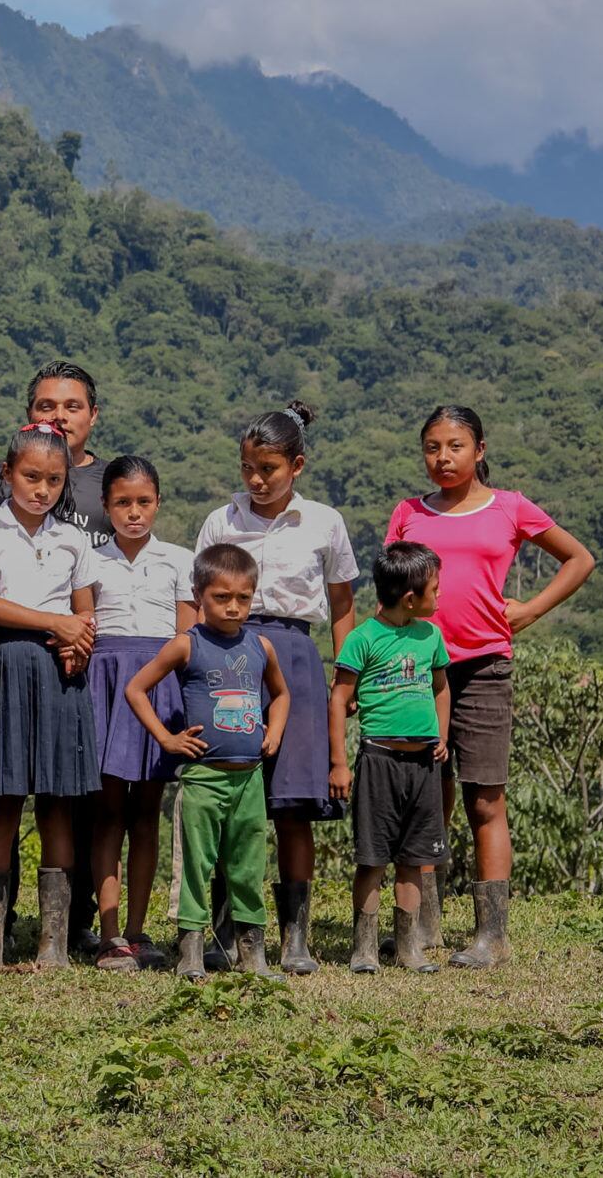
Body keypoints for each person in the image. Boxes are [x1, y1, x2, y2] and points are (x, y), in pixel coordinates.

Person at [383, 404, 592, 969]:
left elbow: (579, 559)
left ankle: (491, 936)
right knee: (426, 797)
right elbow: (390, 591)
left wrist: (528, 611)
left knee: (484, 797)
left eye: (455, 446)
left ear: (479, 450)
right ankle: (421, 926)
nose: (443, 458)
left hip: (482, 667)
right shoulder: (408, 513)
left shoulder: (511, 507)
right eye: (432, 447)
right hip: (414, 671)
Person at [192, 401, 358, 976]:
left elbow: (342, 607)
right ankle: (220, 932)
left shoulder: (324, 523)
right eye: (248, 468)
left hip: (295, 657)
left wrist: (345, 675)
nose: (257, 480)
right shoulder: (221, 520)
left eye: (269, 468)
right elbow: (196, 601)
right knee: (223, 798)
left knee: (291, 805)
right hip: (225, 655)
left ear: (298, 464)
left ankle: (295, 937)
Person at [0, 423, 97, 973]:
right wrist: (58, 623)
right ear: (7, 475)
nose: (41, 489)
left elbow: (86, 610)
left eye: (54, 480)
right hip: (3, 664)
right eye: (30, 477)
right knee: (1, 805)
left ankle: (54, 943)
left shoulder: (73, 538)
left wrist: (79, 644)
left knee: (57, 807)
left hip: (60, 674)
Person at [125, 544, 292, 981]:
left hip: (249, 779)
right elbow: (136, 690)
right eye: (222, 597)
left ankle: (253, 955)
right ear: (199, 593)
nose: (233, 607)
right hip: (202, 779)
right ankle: (191, 954)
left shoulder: (260, 646)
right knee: (196, 867)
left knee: (248, 864)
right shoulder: (186, 645)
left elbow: (281, 694)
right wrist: (167, 738)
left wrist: (273, 732)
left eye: (243, 597)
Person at [71, 456, 193, 972]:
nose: (134, 513)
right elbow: (82, 625)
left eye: (144, 502)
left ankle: (140, 932)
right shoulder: (89, 559)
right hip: (103, 682)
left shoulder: (180, 560)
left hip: (161, 685)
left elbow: (188, 636)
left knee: (147, 811)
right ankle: (110, 934)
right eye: (122, 503)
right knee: (108, 812)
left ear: (158, 503)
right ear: (106, 506)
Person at [330, 542, 451, 976]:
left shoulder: (430, 636)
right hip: (379, 761)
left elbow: (440, 686)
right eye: (435, 590)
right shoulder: (364, 638)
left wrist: (442, 733)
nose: (440, 596)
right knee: (372, 857)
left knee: (414, 859)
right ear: (410, 599)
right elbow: (339, 697)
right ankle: (363, 947)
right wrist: (339, 762)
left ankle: (408, 946)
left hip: (423, 765)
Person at [0, 360, 109, 535]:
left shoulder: (113, 482)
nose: (59, 416)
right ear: (29, 414)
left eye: (72, 407)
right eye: (46, 407)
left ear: (93, 415)